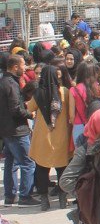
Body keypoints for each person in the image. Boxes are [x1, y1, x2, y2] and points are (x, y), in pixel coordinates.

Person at [27, 64, 74, 210]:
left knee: (41, 168)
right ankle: (62, 198)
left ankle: (44, 200)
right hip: (61, 137)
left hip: (42, 137)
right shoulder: (65, 92)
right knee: (61, 168)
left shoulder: (38, 93)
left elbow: (29, 109)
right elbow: (71, 115)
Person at [0, 54, 38, 206]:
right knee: (28, 163)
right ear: (15, 67)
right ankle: (25, 196)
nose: (25, 68)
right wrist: (30, 114)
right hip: (17, 130)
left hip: (7, 130)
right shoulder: (11, 84)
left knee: (11, 163)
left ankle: (10, 196)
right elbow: (16, 109)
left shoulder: (4, 82)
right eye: (23, 65)